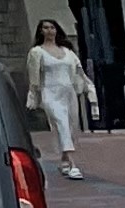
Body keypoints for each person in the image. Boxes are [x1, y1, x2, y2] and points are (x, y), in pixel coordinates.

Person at [26, 19, 91, 181]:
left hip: (68, 93)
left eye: (52, 27)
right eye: (45, 28)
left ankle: (64, 160)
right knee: (61, 122)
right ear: (41, 31)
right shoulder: (37, 52)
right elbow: (34, 76)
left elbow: (79, 71)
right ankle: (73, 164)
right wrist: (33, 95)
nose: (49, 30)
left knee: (70, 126)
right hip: (50, 92)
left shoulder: (67, 52)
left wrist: (88, 88)